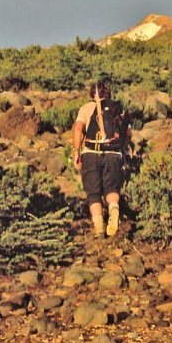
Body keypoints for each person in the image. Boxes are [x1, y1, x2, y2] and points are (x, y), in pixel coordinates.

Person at [72, 80, 130, 238]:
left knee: (93, 192)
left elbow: (78, 128)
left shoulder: (86, 108)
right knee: (111, 188)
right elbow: (128, 134)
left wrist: (76, 151)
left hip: (91, 152)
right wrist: (122, 150)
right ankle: (113, 209)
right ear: (108, 93)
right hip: (113, 154)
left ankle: (98, 227)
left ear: (92, 94)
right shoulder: (118, 108)